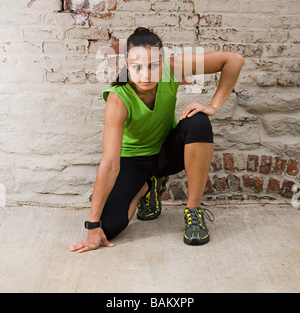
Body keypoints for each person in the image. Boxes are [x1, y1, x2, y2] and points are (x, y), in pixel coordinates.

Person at [70, 27, 245, 253]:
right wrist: (92, 224)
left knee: (198, 121)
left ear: (162, 62)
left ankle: (193, 210)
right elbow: (110, 163)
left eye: (154, 65)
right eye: (137, 67)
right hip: (132, 161)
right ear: (127, 64)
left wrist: (213, 106)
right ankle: (147, 187)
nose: (146, 75)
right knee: (108, 227)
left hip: (167, 153)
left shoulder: (171, 69)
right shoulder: (118, 98)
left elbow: (234, 60)